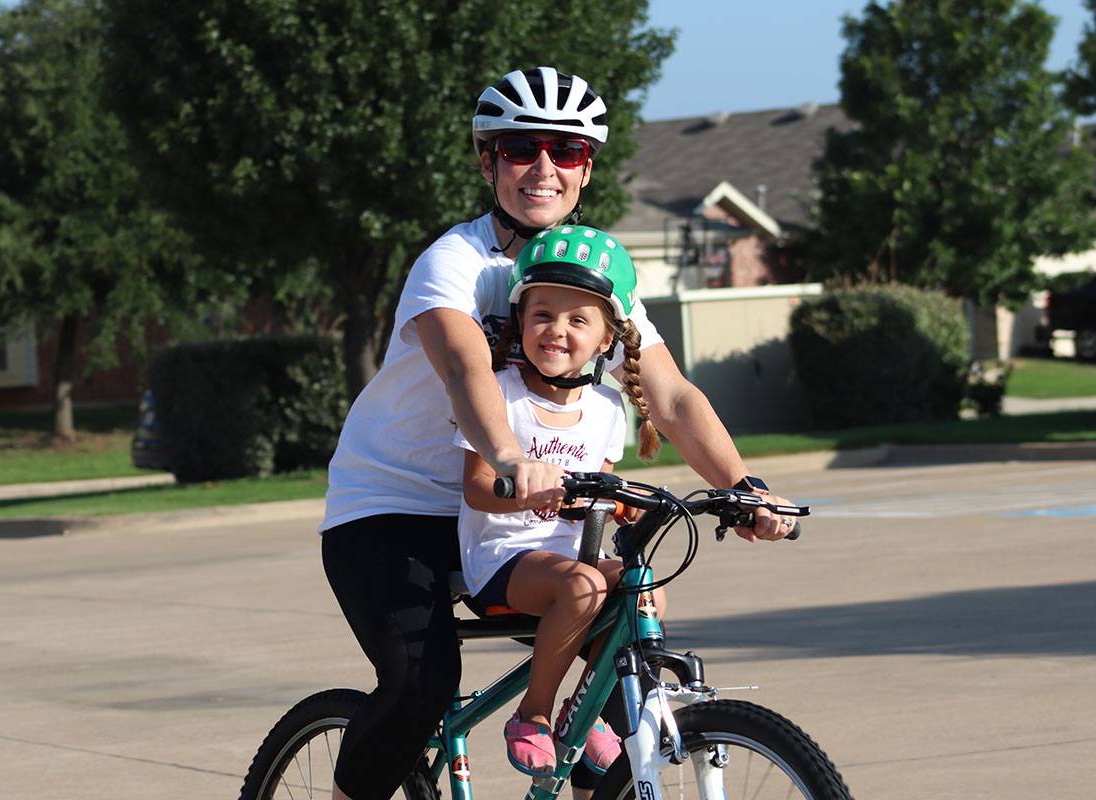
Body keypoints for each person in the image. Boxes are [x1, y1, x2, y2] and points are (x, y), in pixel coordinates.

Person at [320, 66, 796, 800]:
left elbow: (667, 393)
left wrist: (740, 486)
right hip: (395, 508)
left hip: (519, 514)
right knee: (423, 680)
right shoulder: (455, 264)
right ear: (489, 161)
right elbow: (463, 368)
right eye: (520, 148)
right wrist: (510, 458)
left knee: (616, 655)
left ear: (587, 168)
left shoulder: (592, 273)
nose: (543, 168)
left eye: (566, 151)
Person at [457, 226, 663, 776]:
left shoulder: (606, 408)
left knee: (646, 593)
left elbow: (601, 489)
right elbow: (476, 486)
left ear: (605, 341)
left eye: (578, 320)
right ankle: (533, 713)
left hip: (573, 558)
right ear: (520, 321)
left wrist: (627, 502)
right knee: (585, 585)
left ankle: (586, 709)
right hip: (502, 556)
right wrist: (523, 483)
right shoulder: (500, 393)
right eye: (541, 314)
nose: (555, 330)